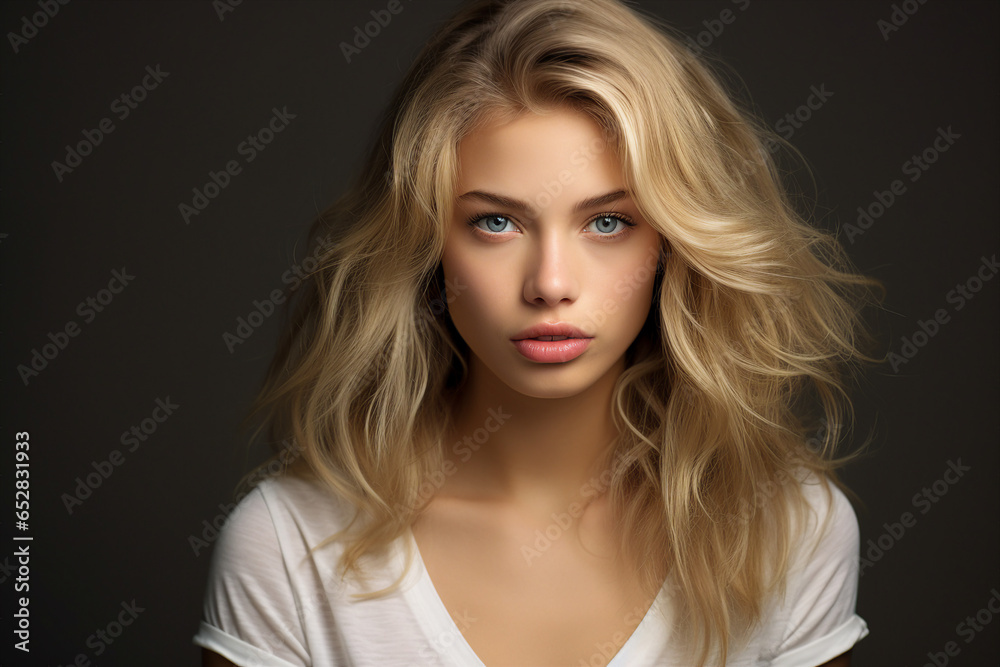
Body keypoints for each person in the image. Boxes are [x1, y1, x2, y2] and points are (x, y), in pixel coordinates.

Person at [193, 0, 885, 665]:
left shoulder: (790, 533)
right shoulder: (291, 550)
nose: (550, 283)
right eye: (496, 222)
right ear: (429, 245)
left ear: (672, 245)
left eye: (608, 222)